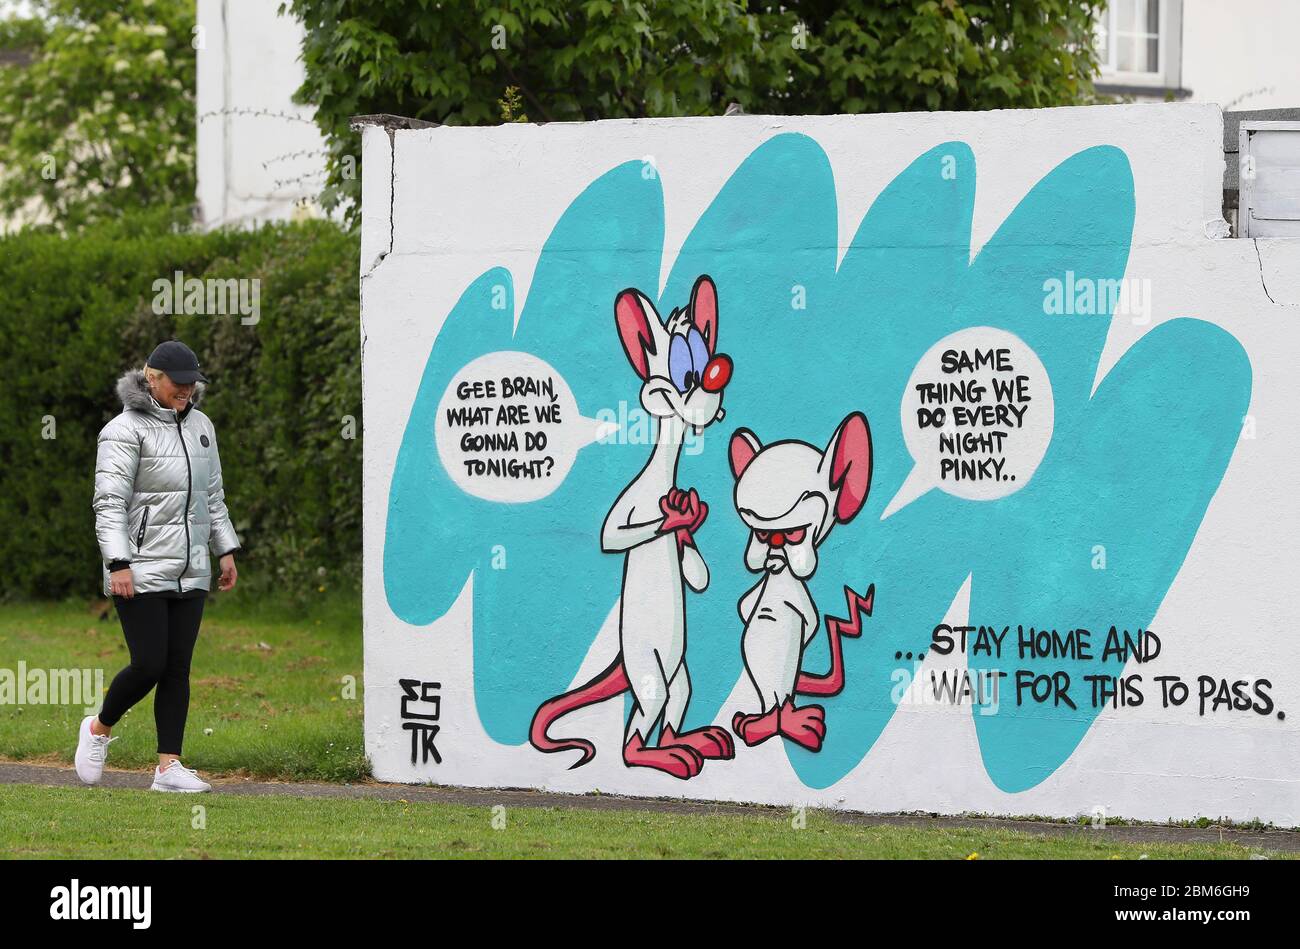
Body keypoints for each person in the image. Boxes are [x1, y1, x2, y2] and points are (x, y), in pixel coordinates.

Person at [76, 340, 241, 792]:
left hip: (192, 567)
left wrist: (224, 549)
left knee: (177, 668)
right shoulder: (122, 430)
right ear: (151, 378)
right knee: (148, 664)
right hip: (140, 565)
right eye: (178, 382)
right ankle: (99, 728)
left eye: (193, 382)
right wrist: (118, 562)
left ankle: (168, 768)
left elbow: (213, 497)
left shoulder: (202, 426)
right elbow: (109, 503)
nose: (187, 389)